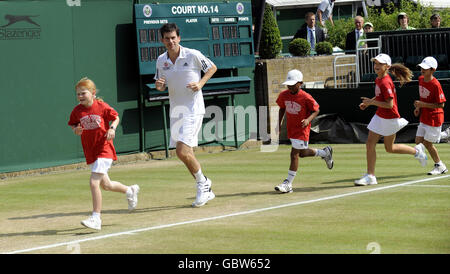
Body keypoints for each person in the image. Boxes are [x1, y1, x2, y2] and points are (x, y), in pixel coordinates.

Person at [154, 23, 218, 207]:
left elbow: (212, 67)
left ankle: (203, 185)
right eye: (167, 38)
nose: (170, 41)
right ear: (162, 40)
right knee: (184, 153)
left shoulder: (193, 54)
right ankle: (205, 183)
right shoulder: (161, 60)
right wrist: (159, 86)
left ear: (179, 38)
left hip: (193, 108)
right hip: (176, 110)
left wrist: (200, 83)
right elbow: (161, 85)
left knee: (182, 151)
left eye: (173, 37)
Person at [68, 77, 140, 230]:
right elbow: (74, 125)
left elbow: (115, 117)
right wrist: (76, 130)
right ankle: (130, 190)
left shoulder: (101, 106)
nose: (80, 96)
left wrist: (112, 129)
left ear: (93, 93)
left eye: (83, 93)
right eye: (78, 94)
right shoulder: (77, 111)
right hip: (91, 151)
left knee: (94, 183)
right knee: (106, 185)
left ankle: (96, 218)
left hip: (104, 149)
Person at [355, 54, 428, 186]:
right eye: (375, 63)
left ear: (387, 67)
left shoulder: (385, 82)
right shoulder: (379, 79)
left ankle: (371, 175)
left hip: (389, 118)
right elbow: (380, 97)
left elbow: (389, 104)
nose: (376, 66)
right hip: (380, 116)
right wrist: (369, 102)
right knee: (377, 145)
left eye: (380, 64)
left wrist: (371, 103)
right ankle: (417, 152)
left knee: (385, 147)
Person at [274, 69, 333, 193]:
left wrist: (308, 120)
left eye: (293, 84)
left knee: (294, 154)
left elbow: (316, 110)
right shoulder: (284, 95)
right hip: (291, 129)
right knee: (302, 153)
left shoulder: (306, 97)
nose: (290, 86)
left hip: (302, 129)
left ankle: (288, 183)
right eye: (288, 84)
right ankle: (325, 153)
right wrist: (278, 124)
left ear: (300, 83)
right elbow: (281, 108)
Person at [413, 56, 448, 175]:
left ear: (433, 70)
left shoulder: (436, 85)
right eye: (421, 67)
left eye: (425, 68)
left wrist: (422, 104)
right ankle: (444, 134)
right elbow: (423, 97)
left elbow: (441, 105)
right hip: (425, 115)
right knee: (418, 141)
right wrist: (419, 107)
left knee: (427, 144)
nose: (422, 70)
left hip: (435, 117)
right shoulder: (421, 79)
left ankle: (440, 166)